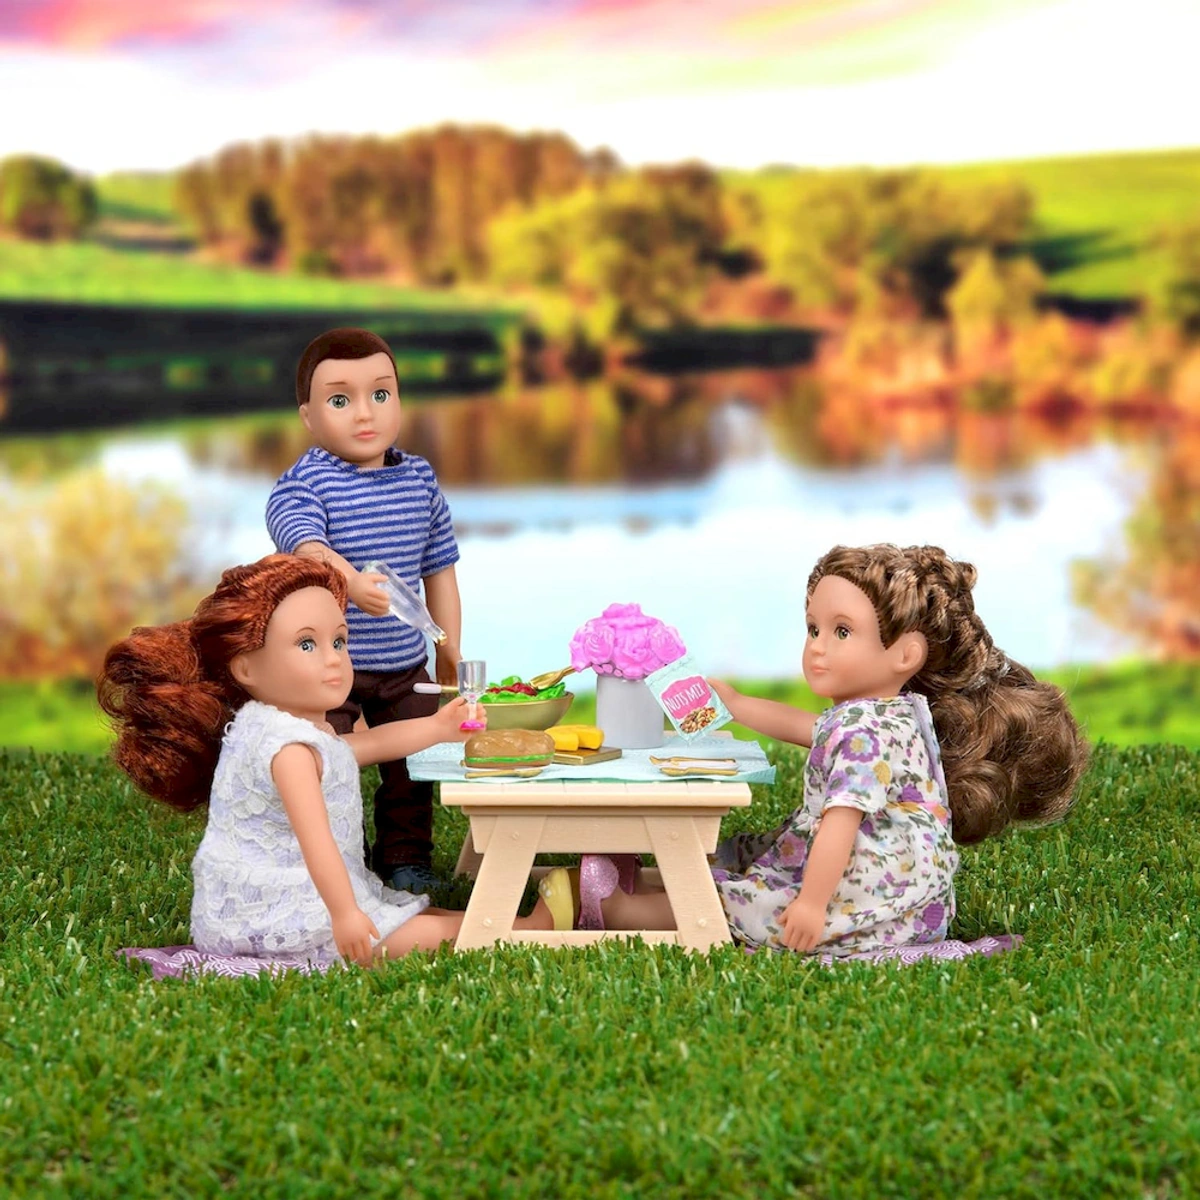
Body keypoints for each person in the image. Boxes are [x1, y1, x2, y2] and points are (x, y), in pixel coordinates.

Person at [540, 544, 1089, 955]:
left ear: (905, 655)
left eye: (841, 632)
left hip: (862, 901)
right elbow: (810, 728)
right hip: (906, 895)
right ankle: (659, 881)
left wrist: (810, 904)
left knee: (752, 906)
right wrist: (736, 703)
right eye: (813, 629)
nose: (818, 648)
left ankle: (622, 909)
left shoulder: (865, 731)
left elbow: (840, 823)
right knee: (747, 860)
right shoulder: (888, 714)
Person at [97, 555, 555, 967]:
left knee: (426, 916)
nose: (334, 660)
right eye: (307, 645)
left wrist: (437, 727)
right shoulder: (288, 751)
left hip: (292, 899)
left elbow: (366, 745)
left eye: (339, 641)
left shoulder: (284, 727)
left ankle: (506, 920)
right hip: (282, 915)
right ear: (246, 668)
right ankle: (530, 930)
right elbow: (317, 845)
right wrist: (345, 913)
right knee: (431, 936)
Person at [265, 327, 462, 895]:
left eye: (380, 393)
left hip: (404, 661)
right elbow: (303, 542)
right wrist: (350, 583)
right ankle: (338, 857)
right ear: (308, 416)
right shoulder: (306, 482)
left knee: (411, 763)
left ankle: (406, 857)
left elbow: (440, 571)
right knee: (329, 762)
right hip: (330, 666)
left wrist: (448, 649)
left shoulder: (419, 480)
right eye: (339, 400)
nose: (364, 413)